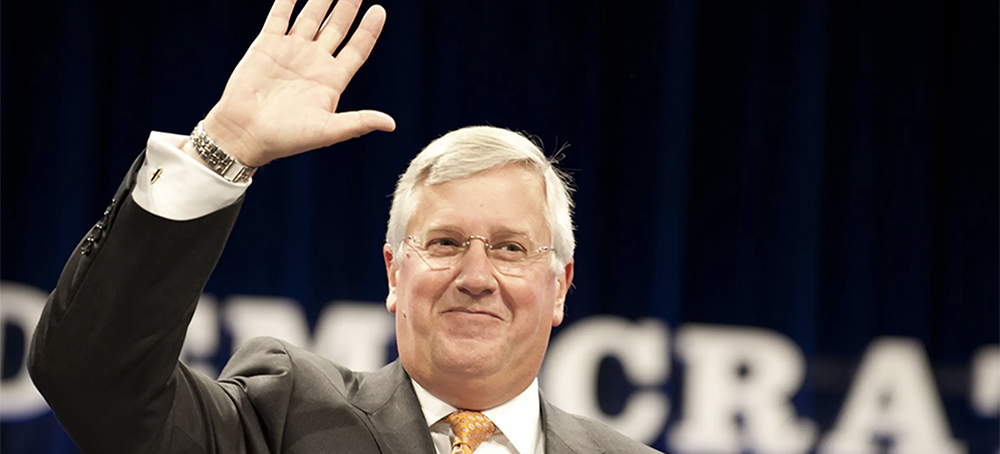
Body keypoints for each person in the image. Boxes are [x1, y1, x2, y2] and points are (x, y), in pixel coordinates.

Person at [28, 0, 663, 453]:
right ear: (394, 270)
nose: (476, 276)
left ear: (559, 286)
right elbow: (92, 376)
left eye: (510, 248)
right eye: (443, 243)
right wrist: (226, 145)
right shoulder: (283, 417)